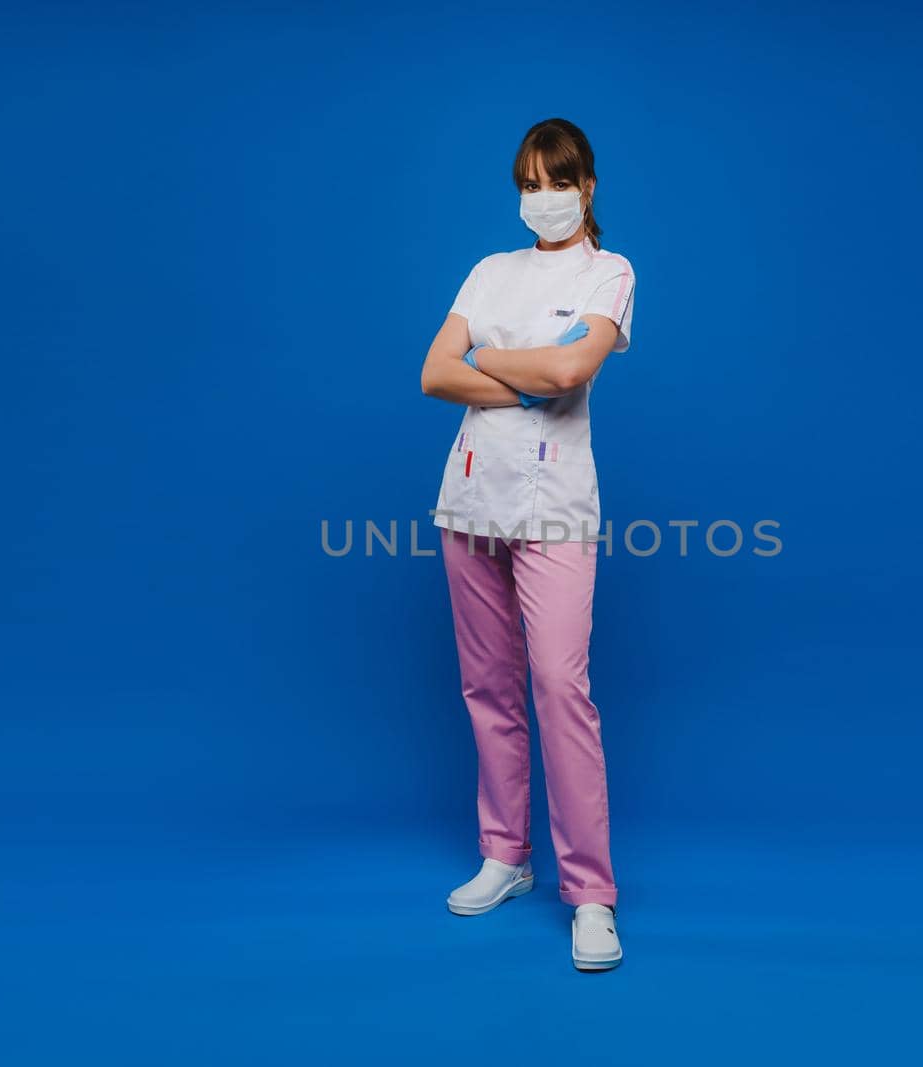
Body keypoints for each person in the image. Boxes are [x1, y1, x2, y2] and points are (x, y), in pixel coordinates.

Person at [418, 118, 636, 972]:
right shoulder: (490, 269)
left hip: (555, 509)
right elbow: (436, 371)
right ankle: (506, 856)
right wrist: (529, 369)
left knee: (558, 686)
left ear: (586, 186)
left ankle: (590, 895)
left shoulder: (609, 273)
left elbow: (572, 374)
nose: (540, 197)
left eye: (557, 181)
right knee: (488, 685)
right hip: (468, 497)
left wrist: (496, 358)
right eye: (528, 182)